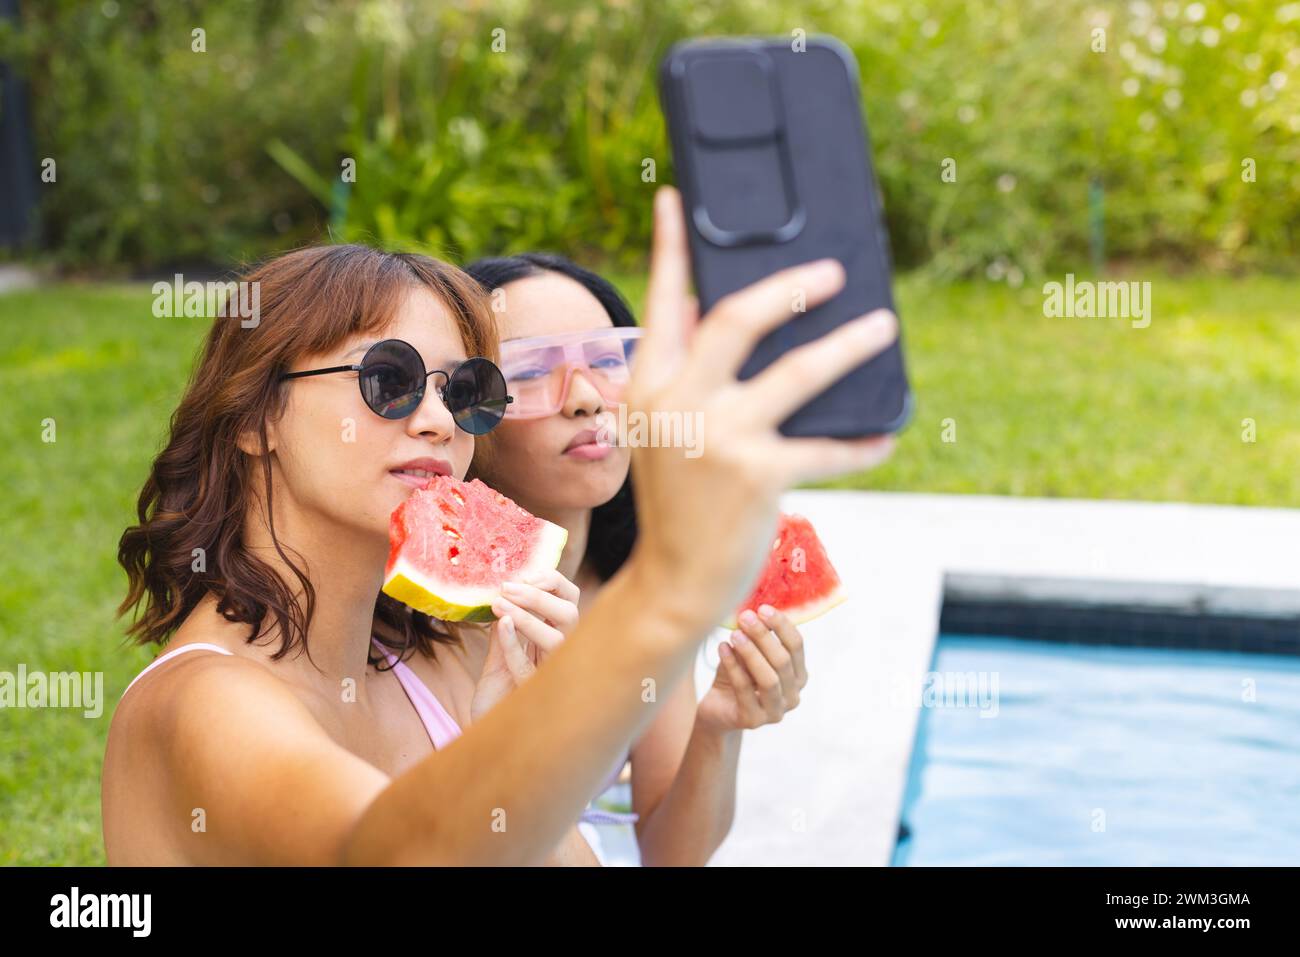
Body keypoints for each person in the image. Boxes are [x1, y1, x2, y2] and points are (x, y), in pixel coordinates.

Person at [101, 186, 897, 865]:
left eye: (466, 388)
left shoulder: (428, 658)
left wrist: (514, 737)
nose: (438, 418)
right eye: (390, 379)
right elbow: (387, 853)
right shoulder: (208, 701)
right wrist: (671, 587)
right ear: (255, 416)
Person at [464, 252, 815, 865]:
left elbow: (671, 852)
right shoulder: (418, 612)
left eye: (606, 361)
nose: (584, 399)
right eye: (529, 370)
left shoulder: (641, 584)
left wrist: (720, 726)